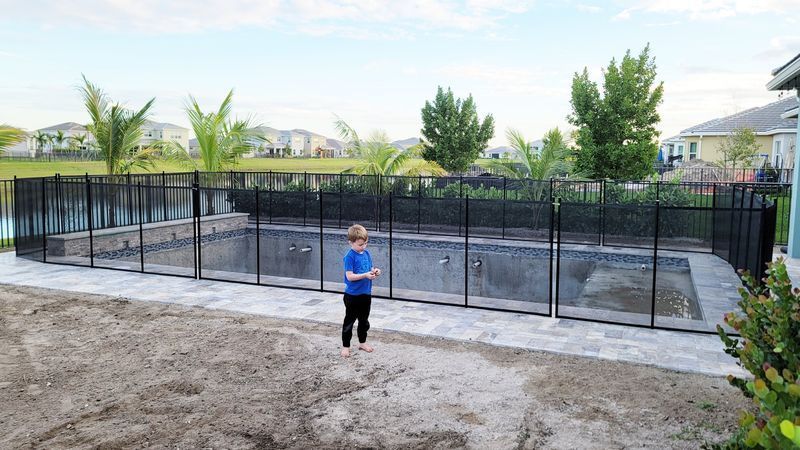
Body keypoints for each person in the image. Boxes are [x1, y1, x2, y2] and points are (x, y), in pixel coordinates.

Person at [340, 224, 381, 358]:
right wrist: (365, 275)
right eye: (360, 244)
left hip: (366, 294)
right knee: (349, 322)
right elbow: (349, 276)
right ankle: (346, 346)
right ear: (350, 242)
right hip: (352, 296)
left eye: (365, 243)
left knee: (364, 321)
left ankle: (362, 342)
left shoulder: (367, 253)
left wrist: (375, 271)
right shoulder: (349, 257)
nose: (363, 247)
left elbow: (369, 268)